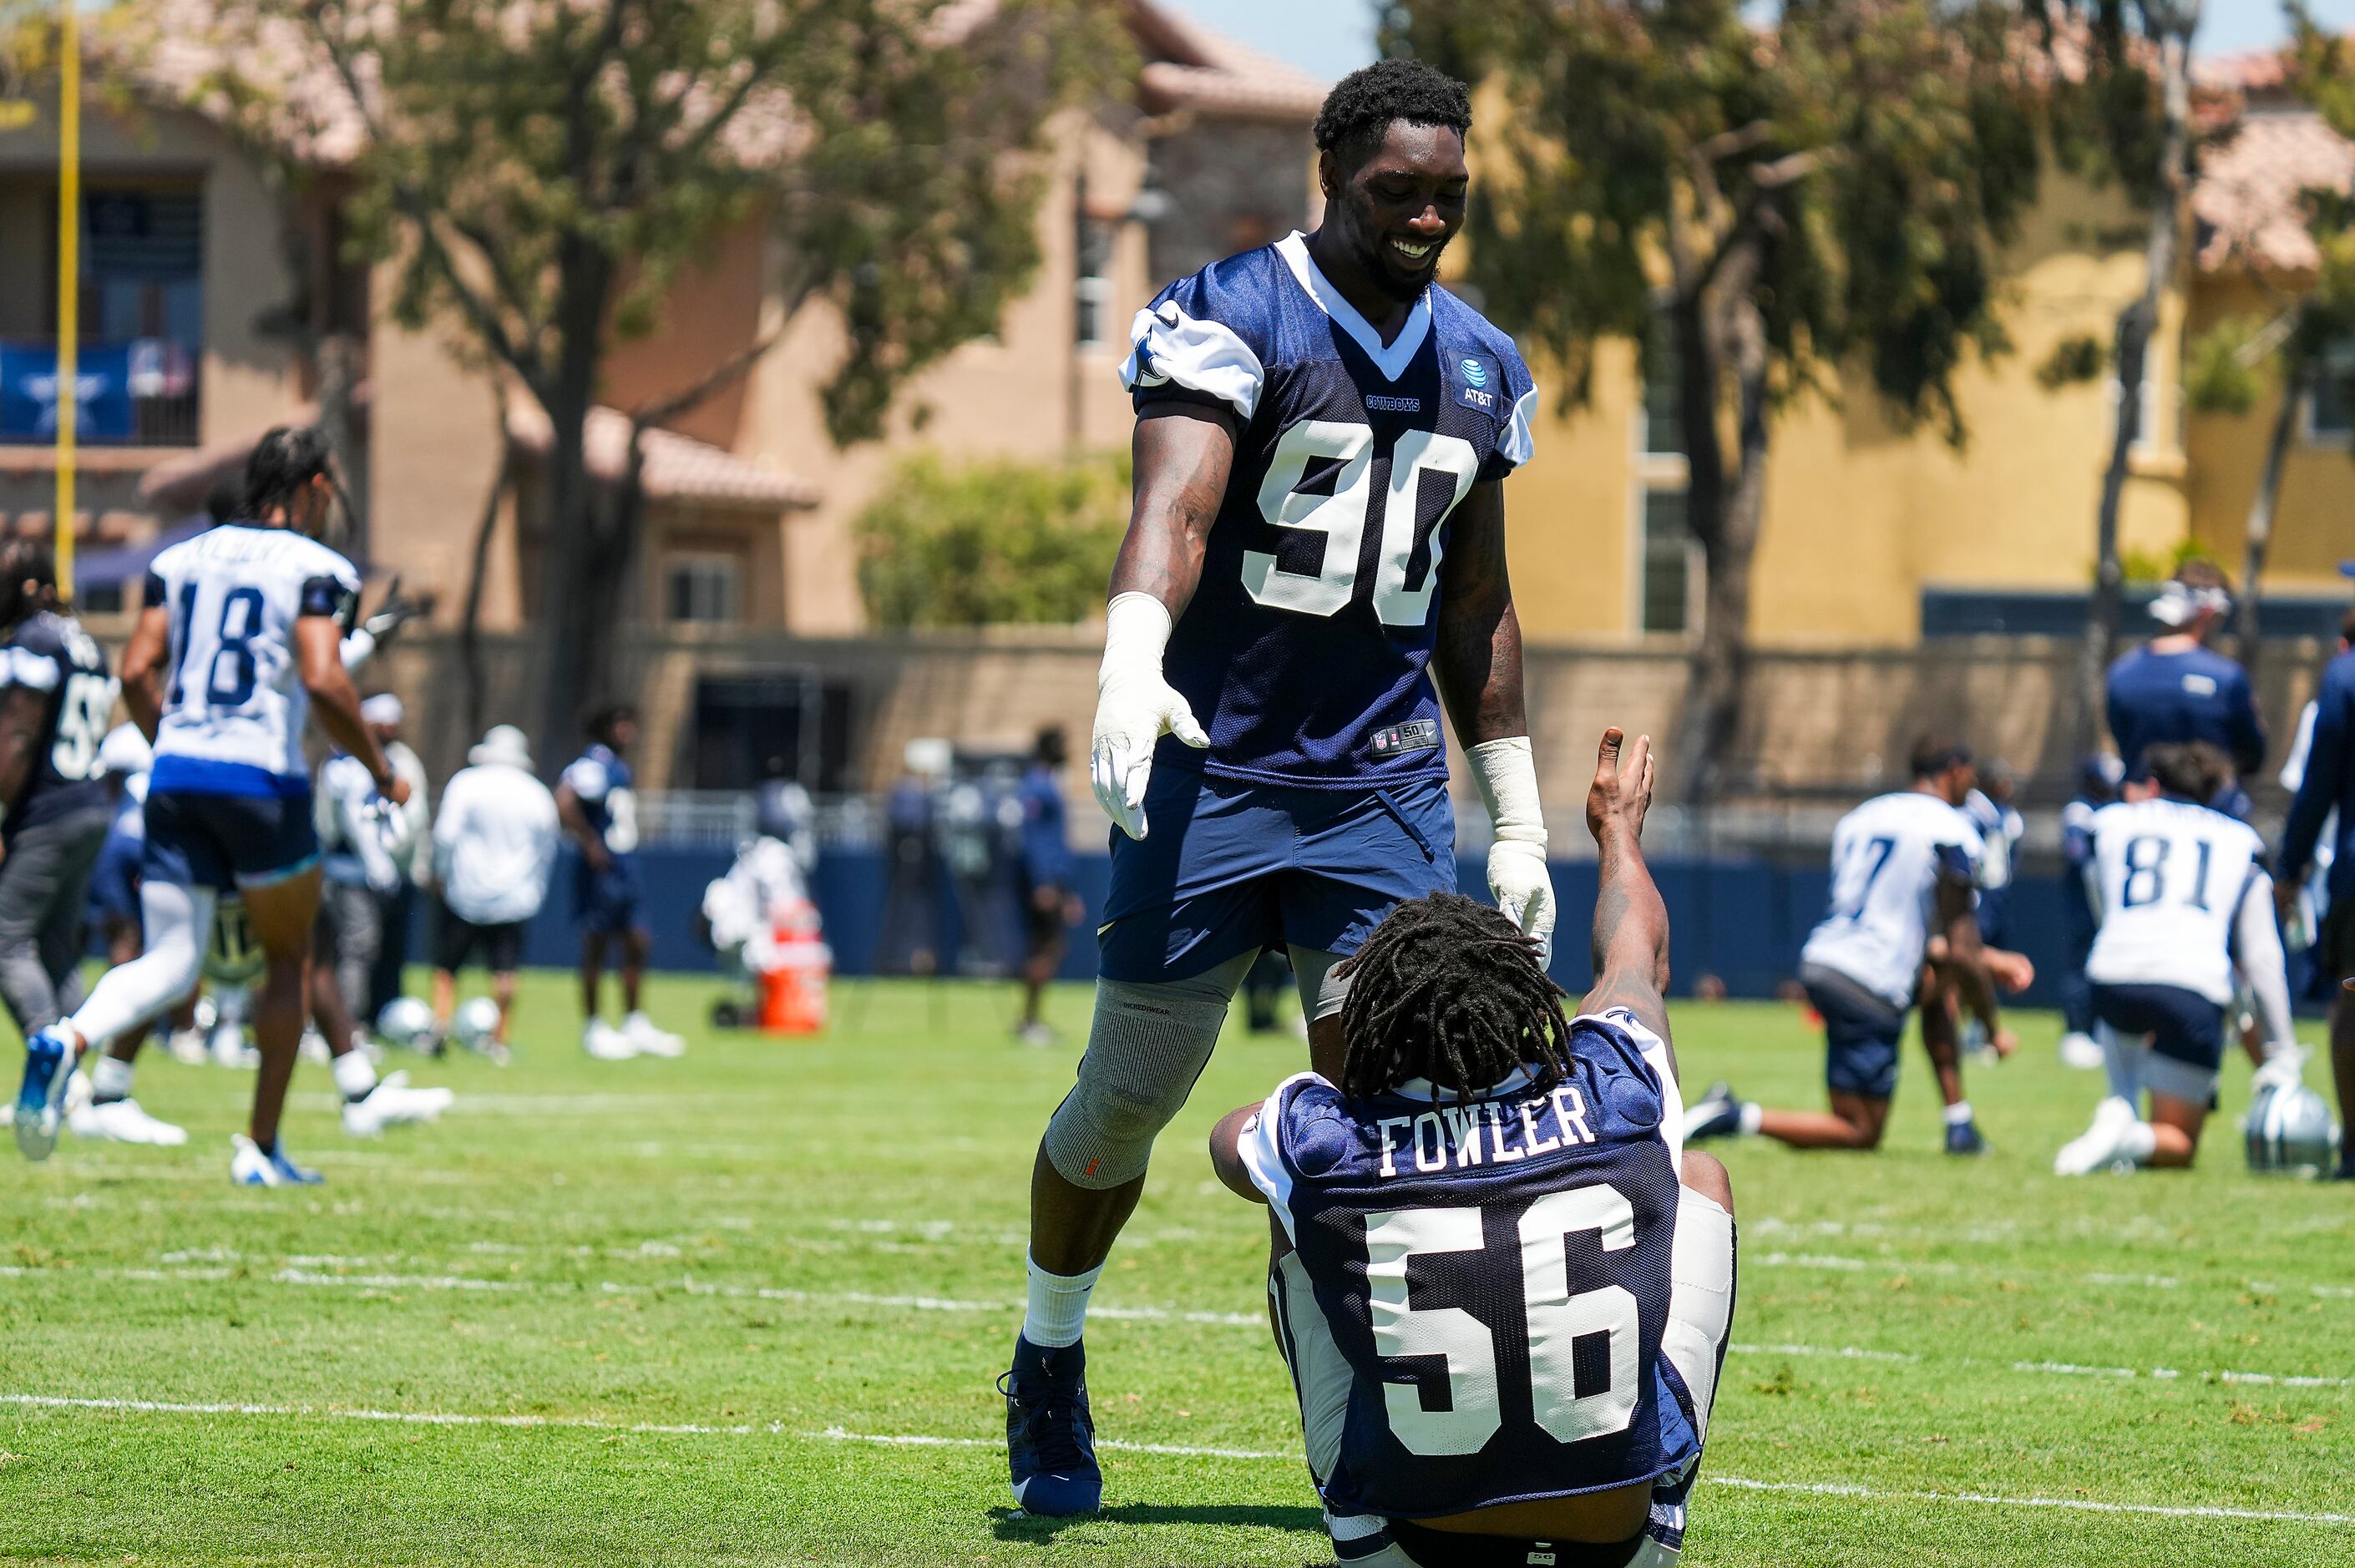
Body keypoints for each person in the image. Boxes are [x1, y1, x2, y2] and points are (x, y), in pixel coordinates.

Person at [1002, 59, 1555, 1517]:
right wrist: (1132, 647)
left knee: (1380, 1120)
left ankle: (1368, 1434)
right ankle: (1047, 1350)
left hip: (1378, 783)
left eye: (1450, 192)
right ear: (1331, 168)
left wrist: (1516, 800)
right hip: (1214, 763)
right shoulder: (1234, 312)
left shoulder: (1482, 363)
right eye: (1397, 192)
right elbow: (1175, 506)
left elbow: (1477, 601)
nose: (1427, 216)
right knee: (1127, 1098)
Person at [1204, 731, 1734, 1568]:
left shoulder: (1325, 1139)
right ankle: (1662, 1497)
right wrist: (1619, 829)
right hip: (1617, 1546)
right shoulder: (1615, 1086)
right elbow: (1635, 958)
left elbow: (1229, 1144)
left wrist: (1377, 1124)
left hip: (1409, 1547)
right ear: (1521, 1007)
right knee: (1700, 1174)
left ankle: (1354, 1517)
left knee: (1290, 1206)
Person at [14, 425, 408, 1185]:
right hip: (261, 778)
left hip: (178, 775)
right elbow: (326, 680)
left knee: (169, 958)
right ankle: (260, 1149)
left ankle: (65, 1041)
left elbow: (136, 669)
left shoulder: (178, 559)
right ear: (316, 488)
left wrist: (175, 744)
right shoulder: (317, 565)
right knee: (292, 961)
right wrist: (382, 769)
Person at [1685, 736, 2028, 1156]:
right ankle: (1736, 1115)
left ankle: (1959, 1124)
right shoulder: (1952, 828)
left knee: (1937, 982)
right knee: (1859, 1131)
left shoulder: (1863, 816)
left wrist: (1991, 962)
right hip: (1872, 981)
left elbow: (1927, 942)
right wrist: (1992, 1027)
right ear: (1955, 770)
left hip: (1825, 960)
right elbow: (1960, 948)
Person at [2058, 742, 2302, 1174]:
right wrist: (2281, 1050)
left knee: (2131, 1060)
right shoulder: (2237, 839)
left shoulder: (2110, 822)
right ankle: (2128, 1137)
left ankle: (2119, 1111)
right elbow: (2262, 955)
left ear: (2153, 784)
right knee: (2179, 1145)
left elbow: (2103, 904)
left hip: (2113, 975)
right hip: (2193, 982)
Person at [0, 541, 151, 1155]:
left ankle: (52, 1053)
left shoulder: (34, 641)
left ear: (32, 587)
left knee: (6, 937)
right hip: (91, 807)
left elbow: (17, 733)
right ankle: (81, 1085)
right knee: (60, 952)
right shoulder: (84, 640)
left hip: (49, 810)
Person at [555, 703, 681, 1060]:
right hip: (603, 870)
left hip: (626, 867)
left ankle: (634, 1021)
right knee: (597, 945)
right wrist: (590, 843)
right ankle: (593, 1026)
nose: (628, 732)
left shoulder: (616, 765)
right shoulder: (594, 763)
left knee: (638, 941)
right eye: (620, 724)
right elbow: (564, 799)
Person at [2277, 612, 2355, 1180]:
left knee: (2352, 1004)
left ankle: (2354, 1148)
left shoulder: (2344, 676)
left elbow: (2319, 783)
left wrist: (2291, 865)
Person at [432, 725, 560, 1059]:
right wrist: (536, 890)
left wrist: (440, 874)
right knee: (505, 970)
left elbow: (445, 834)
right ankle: (500, 1040)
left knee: (448, 966)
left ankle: (439, 1028)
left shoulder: (466, 783)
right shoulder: (537, 793)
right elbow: (547, 849)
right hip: (515, 897)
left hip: (465, 890)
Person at [2104, 561, 2265, 798]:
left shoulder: (2120, 674)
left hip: (2139, 813)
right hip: (2211, 816)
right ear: (2210, 613)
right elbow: (2252, 756)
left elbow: (2122, 743)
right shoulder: (2227, 679)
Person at [2058, 752, 2125, 1071]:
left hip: (2111, 905)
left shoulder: (2112, 812)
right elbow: (2080, 859)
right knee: (2082, 963)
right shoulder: (2080, 812)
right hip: (2085, 905)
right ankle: (2077, 1030)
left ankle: (2102, 1028)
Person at [1013, 726, 1080, 1046]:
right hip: (1045, 883)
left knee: (1051, 948)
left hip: (1055, 881)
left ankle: (1031, 1018)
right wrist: (1043, 883)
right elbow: (1035, 839)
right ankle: (1028, 1021)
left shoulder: (1049, 782)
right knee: (1045, 948)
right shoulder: (1036, 786)